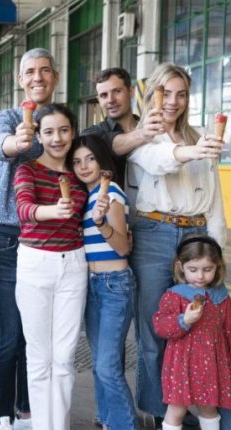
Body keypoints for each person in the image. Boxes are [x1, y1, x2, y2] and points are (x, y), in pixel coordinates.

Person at [128, 63, 227, 429]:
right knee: (156, 332)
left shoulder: (201, 136)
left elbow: (214, 199)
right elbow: (161, 162)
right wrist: (193, 151)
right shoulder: (143, 137)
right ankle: (161, 414)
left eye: (181, 93)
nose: (173, 101)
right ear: (153, 93)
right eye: (165, 93)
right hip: (154, 234)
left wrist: (216, 250)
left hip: (196, 235)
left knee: (204, 330)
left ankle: (201, 412)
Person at [0, 47, 60, 430]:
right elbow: (2, 144)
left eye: (45, 71)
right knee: (11, 332)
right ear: (20, 79)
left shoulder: (63, 121)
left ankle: (28, 410)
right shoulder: (9, 117)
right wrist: (19, 140)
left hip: (54, 239)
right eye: (30, 71)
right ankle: (4, 415)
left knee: (40, 334)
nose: (38, 77)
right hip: (10, 236)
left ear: (55, 77)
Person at [14, 104, 88, 430]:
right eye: (49, 131)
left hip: (74, 265)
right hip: (35, 264)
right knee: (39, 357)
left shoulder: (81, 174)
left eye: (64, 130)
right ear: (39, 136)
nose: (57, 138)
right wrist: (51, 211)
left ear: (73, 132)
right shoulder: (26, 169)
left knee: (64, 358)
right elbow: (24, 209)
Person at [68, 135, 138, 429]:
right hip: (93, 284)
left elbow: (123, 247)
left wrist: (101, 224)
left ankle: (124, 424)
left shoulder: (111, 195)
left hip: (114, 285)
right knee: (99, 363)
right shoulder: (89, 197)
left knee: (108, 366)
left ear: (102, 161)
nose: (83, 166)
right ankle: (107, 418)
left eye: (90, 159)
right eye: (77, 161)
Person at [153, 234, 231, 430]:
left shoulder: (222, 297)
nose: (200, 276)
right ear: (181, 267)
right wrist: (184, 320)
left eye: (207, 269)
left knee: (209, 409)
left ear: (217, 267)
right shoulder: (175, 295)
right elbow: (160, 326)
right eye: (193, 270)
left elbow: (228, 330)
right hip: (181, 363)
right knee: (176, 410)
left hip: (213, 363)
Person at [81, 67, 139, 189]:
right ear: (99, 100)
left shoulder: (146, 126)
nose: (111, 100)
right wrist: (146, 134)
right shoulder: (91, 134)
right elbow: (108, 142)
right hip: (113, 205)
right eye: (104, 95)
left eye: (117, 91)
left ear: (131, 91)